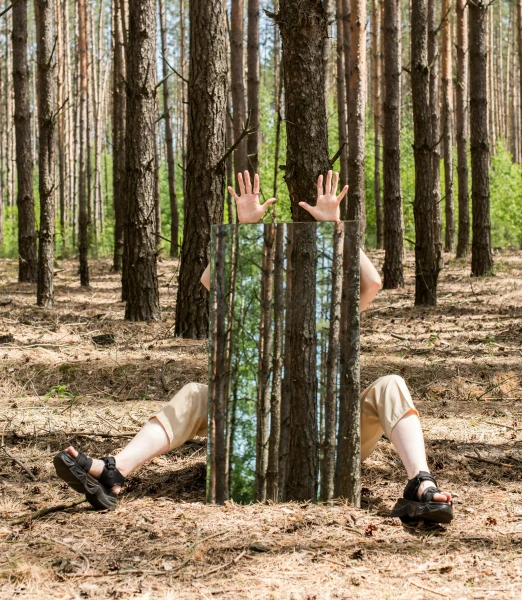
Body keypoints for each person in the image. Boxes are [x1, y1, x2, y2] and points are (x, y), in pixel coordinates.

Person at [54, 171, 453, 525]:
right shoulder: (251, 311)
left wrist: (336, 227)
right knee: (195, 395)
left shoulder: (331, 310)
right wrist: (245, 229)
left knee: (390, 385)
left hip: (330, 433)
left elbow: (373, 284)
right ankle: (114, 471)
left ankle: (420, 484)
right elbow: (211, 281)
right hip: (256, 423)